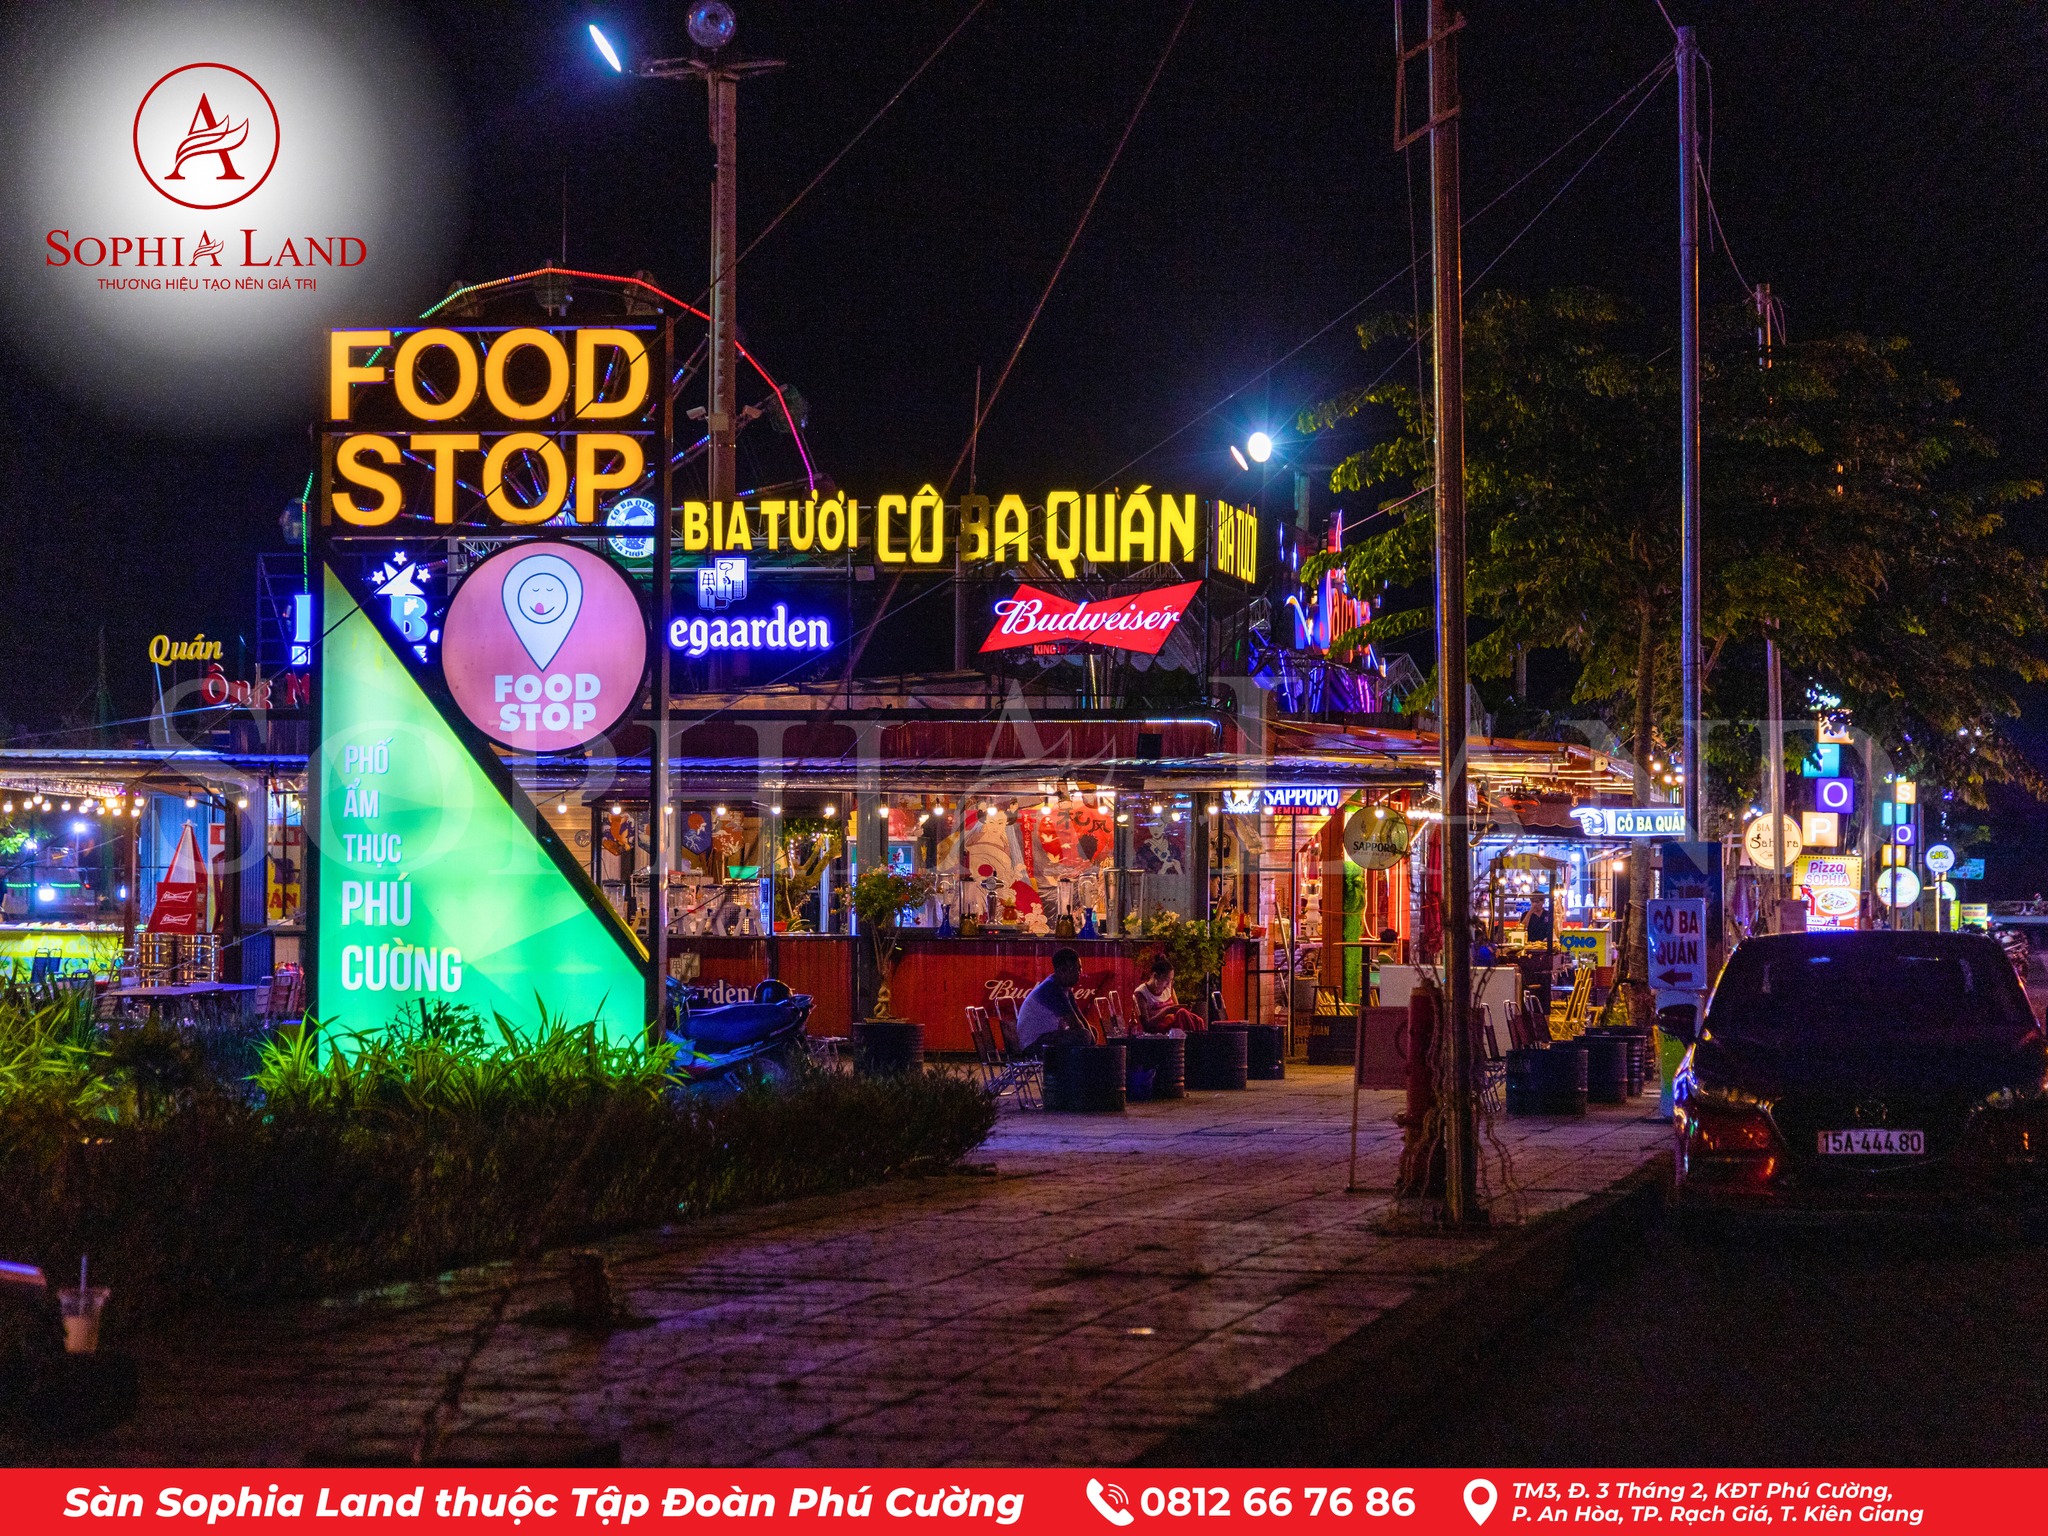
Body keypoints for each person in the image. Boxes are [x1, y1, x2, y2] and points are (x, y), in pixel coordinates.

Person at [1014, 947, 1096, 1055]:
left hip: (1044, 1038)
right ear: (1061, 970)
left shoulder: (1063, 987)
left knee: (1090, 1032)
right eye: (1075, 969)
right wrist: (1092, 1047)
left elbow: (1079, 1016)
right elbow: (1075, 1023)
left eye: (1080, 969)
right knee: (1083, 1035)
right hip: (1033, 1045)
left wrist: (1092, 1041)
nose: (1079, 973)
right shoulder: (1051, 989)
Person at [1132, 954, 1203, 1034]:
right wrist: (1167, 1011)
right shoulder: (1141, 993)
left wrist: (1183, 1008)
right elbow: (1146, 1026)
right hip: (1158, 1034)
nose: (1168, 984)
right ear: (1155, 976)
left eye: (1171, 980)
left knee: (1185, 1014)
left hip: (1174, 1030)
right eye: (1166, 980)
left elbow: (1177, 1010)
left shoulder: (1168, 987)